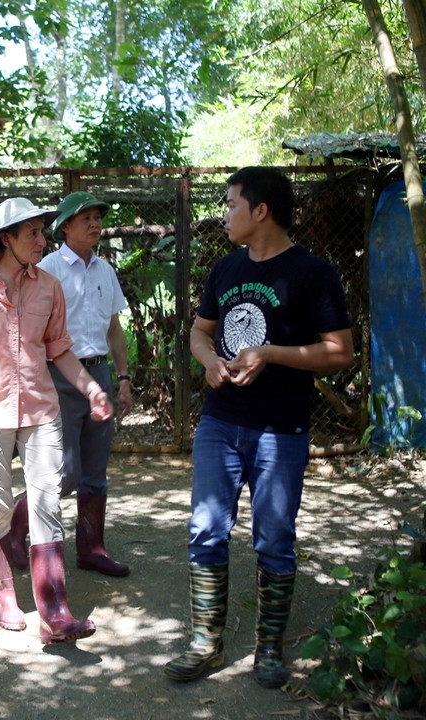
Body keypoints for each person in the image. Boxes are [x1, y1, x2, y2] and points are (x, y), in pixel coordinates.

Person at [164, 167, 353, 688]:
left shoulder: (313, 273)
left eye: (231, 204)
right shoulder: (225, 268)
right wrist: (207, 360)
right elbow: (200, 333)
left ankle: (268, 650)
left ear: (261, 210)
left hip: (281, 429)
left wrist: (270, 353)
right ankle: (206, 642)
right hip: (220, 422)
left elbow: (341, 352)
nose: (224, 214)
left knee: (274, 541)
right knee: (206, 530)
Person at [0, 197, 113, 645]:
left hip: (41, 409)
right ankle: (4, 598)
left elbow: (58, 349)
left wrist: (92, 388)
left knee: (46, 502)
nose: (42, 240)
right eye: (31, 233)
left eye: (42, 231)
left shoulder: (48, 286)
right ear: (5, 240)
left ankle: (54, 610)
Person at [0, 191, 133, 579]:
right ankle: (16, 531)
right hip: (57, 377)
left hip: (100, 374)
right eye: (85, 218)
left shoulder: (105, 271)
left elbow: (114, 328)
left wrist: (122, 380)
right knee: (64, 471)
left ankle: (91, 548)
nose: (95, 224)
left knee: (96, 469)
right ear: (65, 226)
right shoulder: (48, 269)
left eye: (98, 218)